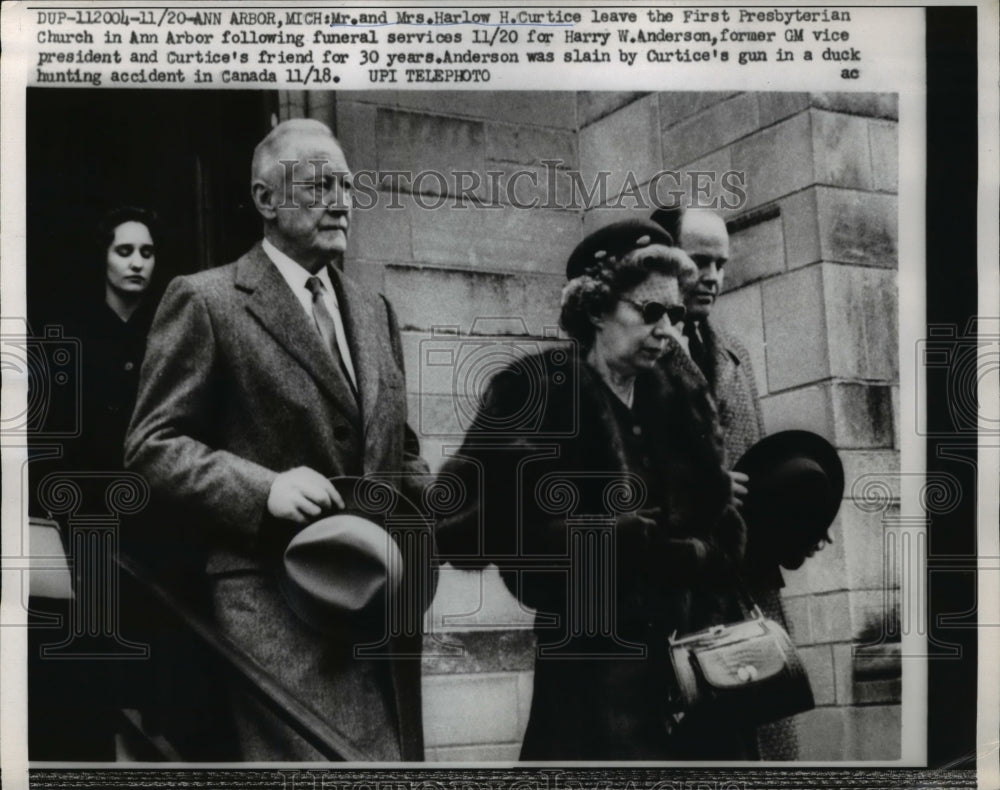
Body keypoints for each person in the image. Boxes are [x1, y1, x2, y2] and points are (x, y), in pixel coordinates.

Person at [125, 118, 431, 761]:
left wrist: (438, 510)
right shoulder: (206, 301)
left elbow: (398, 447)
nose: (342, 199)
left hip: (376, 609)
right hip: (274, 611)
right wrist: (264, 489)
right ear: (266, 200)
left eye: (348, 184)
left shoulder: (375, 311)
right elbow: (152, 447)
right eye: (321, 183)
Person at [436, 220, 756, 760]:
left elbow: (724, 529)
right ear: (596, 309)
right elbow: (464, 528)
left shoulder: (680, 396)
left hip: (694, 668)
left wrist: (697, 555)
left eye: (674, 314)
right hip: (591, 670)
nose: (666, 328)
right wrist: (610, 538)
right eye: (649, 312)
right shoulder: (536, 393)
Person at [651, 205, 807, 760]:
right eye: (699, 261)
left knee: (764, 751)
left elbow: (760, 466)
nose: (714, 277)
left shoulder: (737, 353)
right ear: (664, 261)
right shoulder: (634, 357)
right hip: (681, 605)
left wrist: (796, 519)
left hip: (750, 598)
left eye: (721, 263)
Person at [28, 206, 161, 760]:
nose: (136, 264)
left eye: (147, 253)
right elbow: (49, 438)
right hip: (85, 522)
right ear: (102, 257)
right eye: (124, 251)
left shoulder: (166, 328)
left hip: (153, 522)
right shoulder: (71, 331)